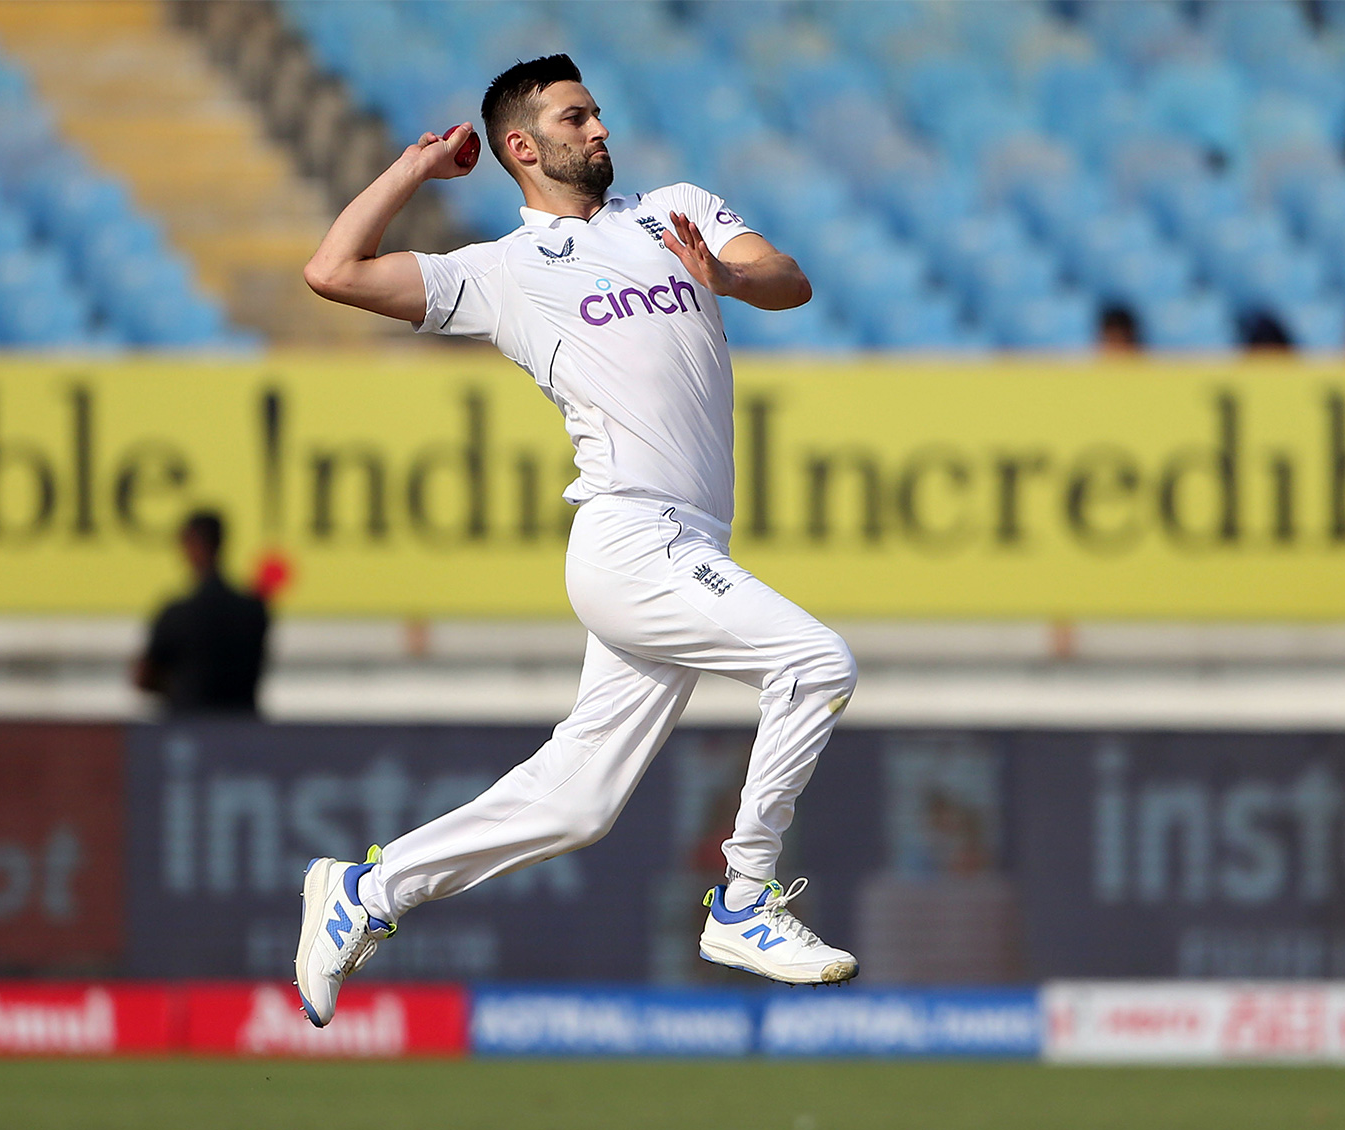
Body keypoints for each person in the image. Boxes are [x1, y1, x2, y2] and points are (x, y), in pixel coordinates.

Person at [294, 54, 858, 1025]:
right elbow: (330, 271)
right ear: (522, 146)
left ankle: (364, 894)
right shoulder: (505, 273)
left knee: (577, 802)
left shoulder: (670, 209)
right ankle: (746, 897)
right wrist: (413, 172)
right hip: (630, 536)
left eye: (596, 112)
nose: (598, 129)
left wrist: (722, 272)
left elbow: (788, 278)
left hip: (690, 544)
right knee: (816, 662)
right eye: (574, 117)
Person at [133, 510, 269, 716]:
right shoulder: (253, 610)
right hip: (242, 730)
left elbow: (143, 678)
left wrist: (180, 685)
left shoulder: (176, 614)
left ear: (190, 545)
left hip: (189, 729)